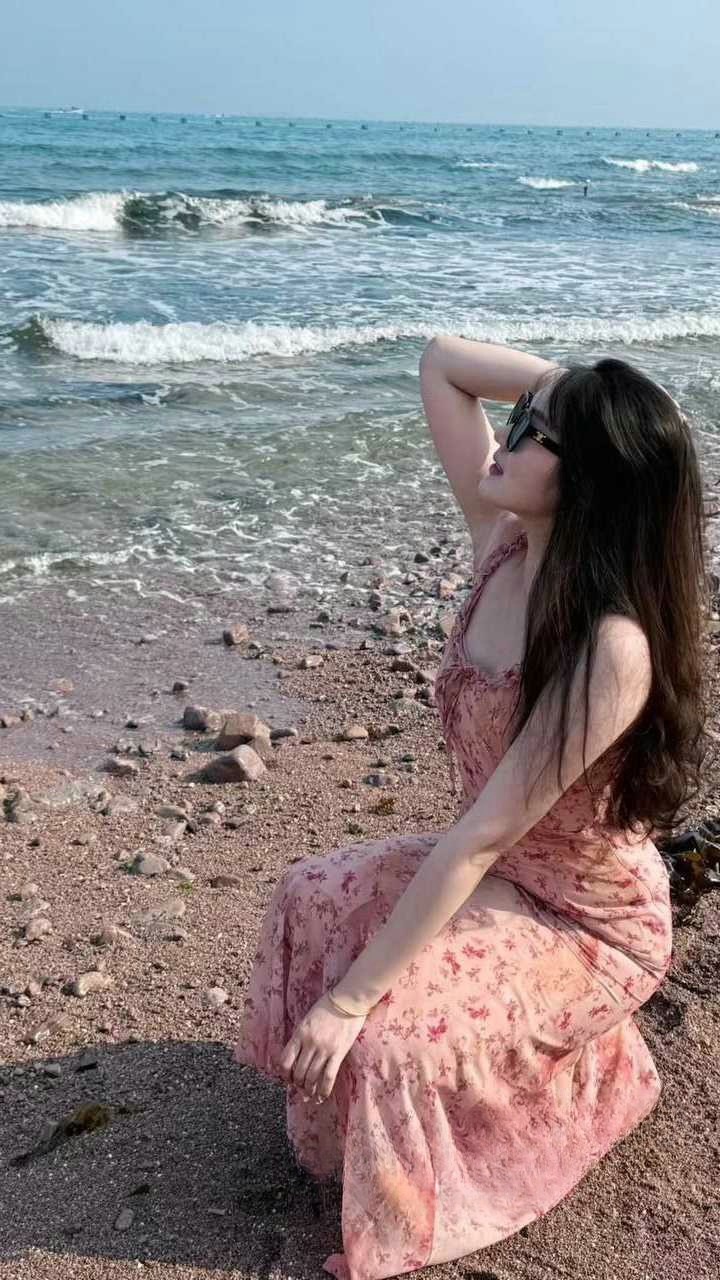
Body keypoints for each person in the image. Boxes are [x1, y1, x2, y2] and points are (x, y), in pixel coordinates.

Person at [233, 338, 709, 1280]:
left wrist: (349, 1001)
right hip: (498, 871)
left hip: (586, 917)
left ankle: (570, 1103)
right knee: (309, 893)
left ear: (590, 478)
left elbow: (481, 836)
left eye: (536, 434)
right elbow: (442, 365)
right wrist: (573, 393)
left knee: (385, 1033)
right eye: (521, 419)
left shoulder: (609, 647)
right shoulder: (503, 543)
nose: (510, 437)